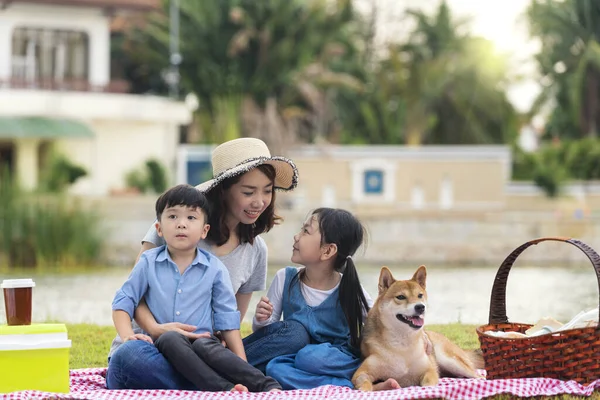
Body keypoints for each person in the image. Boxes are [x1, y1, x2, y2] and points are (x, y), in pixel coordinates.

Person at [106, 138, 302, 390]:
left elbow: (232, 316)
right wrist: (155, 329)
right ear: (223, 190)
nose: (259, 201)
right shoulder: (174, 226)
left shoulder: (255, 250)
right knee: (129, 359)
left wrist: (229, 354)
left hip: (205, 348)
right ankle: (215, 385)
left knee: (293, 333)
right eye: (248, 192)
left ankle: (213, 381)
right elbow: (133, 294)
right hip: (152, 348)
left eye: (267, 190)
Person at [243, 207, 374, 390]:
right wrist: (261, 319)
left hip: (334, 359)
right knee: (275, 368)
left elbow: (381, 319)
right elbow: (270, 335)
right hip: (295, 360)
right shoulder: (285, 278)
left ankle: (358, 374)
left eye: (306, 231)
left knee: (310, 357)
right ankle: (343, 385)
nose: (296, 236)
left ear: (328, 251)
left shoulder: (349, 288)